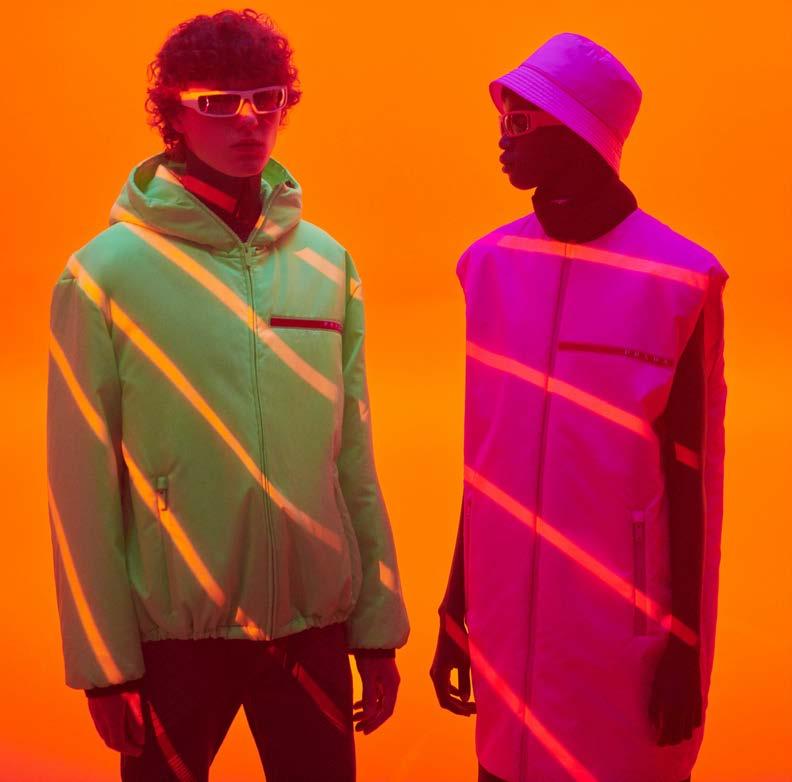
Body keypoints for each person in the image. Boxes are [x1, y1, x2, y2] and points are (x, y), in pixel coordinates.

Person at [46, 9, 409, 781]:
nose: (248, 119)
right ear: (173, 115)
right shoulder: (102, 276)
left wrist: (376, 630)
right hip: (174, 641)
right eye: (217, 101)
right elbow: (80, 485)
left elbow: (351, 458)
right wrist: (104, 667)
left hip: (313, 630)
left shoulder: (326, 266)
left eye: (266, 99)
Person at [430, 32, 727, 782]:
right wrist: (456, 606)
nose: (502, 139)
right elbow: (485, 453)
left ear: (579, 128)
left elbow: (693, 478)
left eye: (518, 121)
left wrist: (687, 650)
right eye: (501, 120)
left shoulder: (680, 281)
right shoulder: (487, 266)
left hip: (618, 633)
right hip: (504, 623)